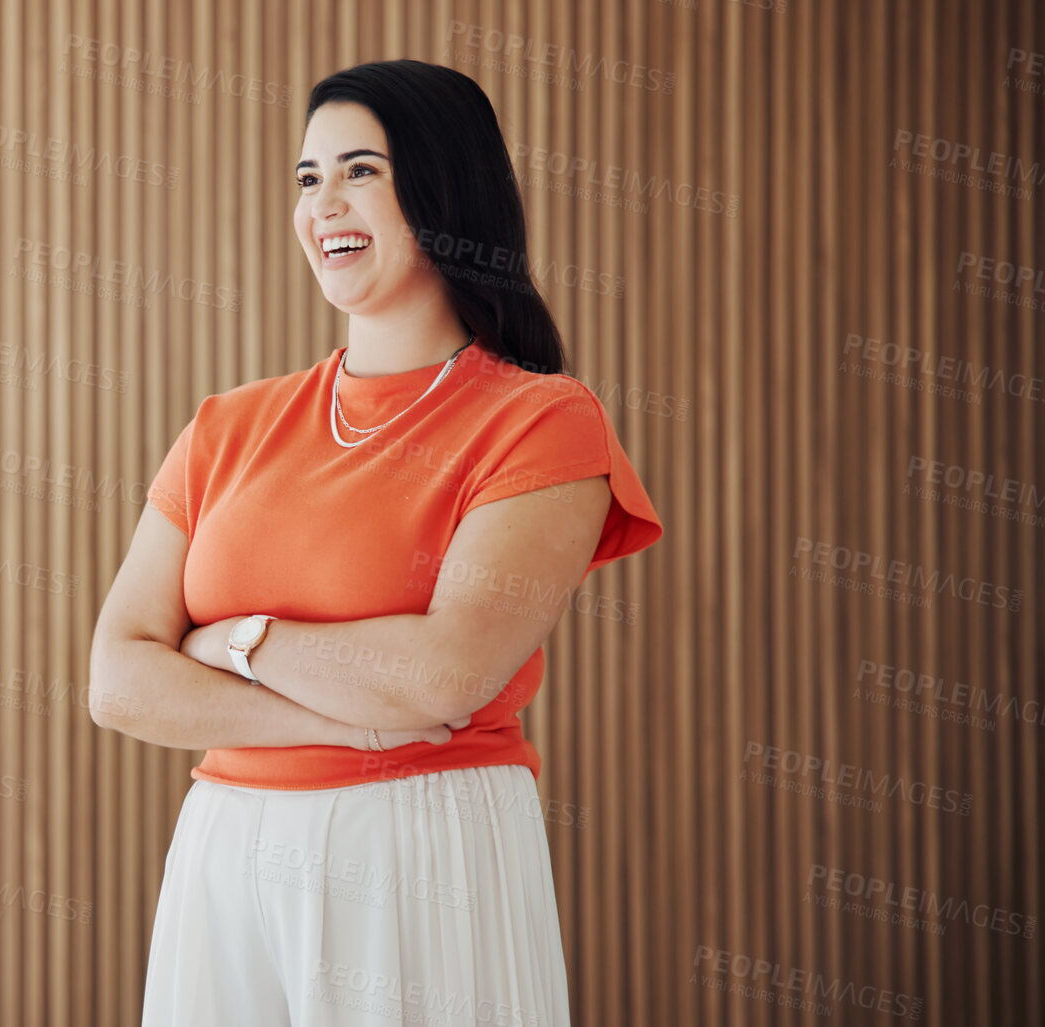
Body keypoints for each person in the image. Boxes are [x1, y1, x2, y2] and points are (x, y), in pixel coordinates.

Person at [88, 59, 664, 1026]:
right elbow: (116, 679)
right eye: (308, 178)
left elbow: (446, 677)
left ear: (443, 190)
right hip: (226, 851)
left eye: (360, 170)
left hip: (420, 846)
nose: (325, 204)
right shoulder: (228, 425)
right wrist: (342, 721)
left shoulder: (541, 421)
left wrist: (230, 641)